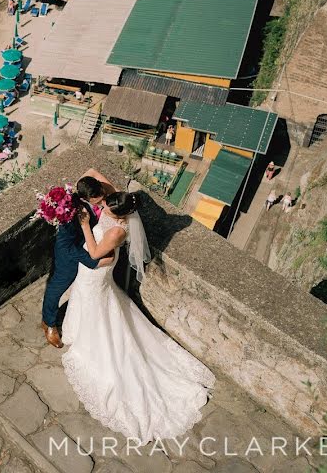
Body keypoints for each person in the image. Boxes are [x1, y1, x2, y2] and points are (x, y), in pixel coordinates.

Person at [62, 191, 214, 443]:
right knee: (92, 303)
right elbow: (95, 179)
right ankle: (82, 332)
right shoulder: (116, 209)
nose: (103, 209)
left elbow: (95, 253)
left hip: (97, 271)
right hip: (91, 274)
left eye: (108, 208)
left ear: (120, 214)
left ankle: (98, 350)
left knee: (100, 309)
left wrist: (85, 224)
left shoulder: (117, 231)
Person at [42, 169, 115, 348]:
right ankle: (48, 323)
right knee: (57, 287)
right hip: (69, 253)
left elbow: (92, 171)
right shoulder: (68, 215)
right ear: (85, 199)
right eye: (99, 201)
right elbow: (68, 246)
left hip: (86, 242)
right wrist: (93, 261)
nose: (103, 202)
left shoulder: (89, 189)